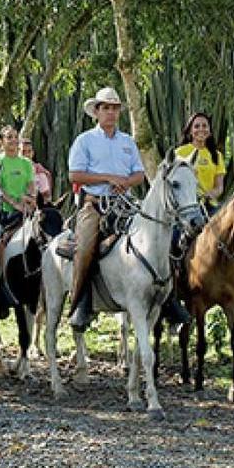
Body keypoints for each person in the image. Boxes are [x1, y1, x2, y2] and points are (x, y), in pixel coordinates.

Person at [66, 87, 147, 332]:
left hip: (126, 206)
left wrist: (126, 182)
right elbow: (74, 175)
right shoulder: (85, 140)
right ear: (97, 112)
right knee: (86, 246)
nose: (111, 113)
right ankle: (81, 302)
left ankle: (168, 300)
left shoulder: (128, 142)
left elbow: (140, 174)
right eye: (106, 108)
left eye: (114, 108)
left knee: (159, 236)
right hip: (95, 205)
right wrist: (108, 178)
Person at [174, 111, 234, 308]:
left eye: (204, 126)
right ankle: (174, 290)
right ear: (190, 131)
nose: (201, 129)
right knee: (174, 239)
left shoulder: (216, 155)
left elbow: (219, 186)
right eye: (197, 126)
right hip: (186, 207)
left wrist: (211, 193)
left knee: (233, 238)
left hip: (209, 206)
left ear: (209, 131)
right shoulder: (180, 153)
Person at [0, 125, 35, 316]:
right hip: (4, 213)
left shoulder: (25, 163)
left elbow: (32, 185)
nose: (13, 141)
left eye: (15, 137)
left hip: (25, 211)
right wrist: (14, 203)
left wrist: (31, 197)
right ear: (1, 141)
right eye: (9, 137)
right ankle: (1, 284)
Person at [20, 137, 52, 203]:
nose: (27, 155)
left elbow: (46, 194)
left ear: (33, 153)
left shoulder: (39, 171)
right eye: (23, 152)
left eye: (29, 151)